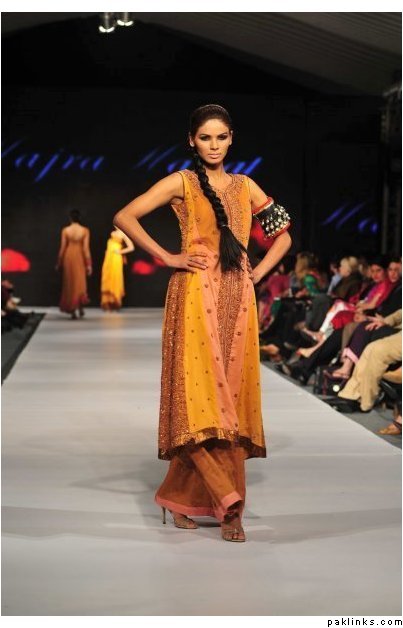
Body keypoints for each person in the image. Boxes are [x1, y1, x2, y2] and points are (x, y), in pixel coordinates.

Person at [113, 104, 292, 542]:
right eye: (206, 138)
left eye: (222, 137)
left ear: (232, 139)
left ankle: (180, 498)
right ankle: (229, 505)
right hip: (194, 295)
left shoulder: (247, 186)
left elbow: (284, 235)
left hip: (238, 299)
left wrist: (257, 272)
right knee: (198, 401)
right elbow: (124, 216)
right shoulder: (182, 182)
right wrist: (167, 257)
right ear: (192, 140)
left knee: (230, 401)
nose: (214, 145)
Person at [56, 209, 92, 319]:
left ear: (70, 218)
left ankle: (73, 310)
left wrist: (59, 262)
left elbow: (62, 248)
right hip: (79, 256)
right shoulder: (85, 230)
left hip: (69, 256)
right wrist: (89, 264)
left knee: (70, 282)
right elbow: (86, 248)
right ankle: (80, 307)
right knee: (80, 282)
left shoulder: (65, 230)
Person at [100, 228, 134, 310]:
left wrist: (120, 252)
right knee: (108, 277)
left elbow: (131, 247)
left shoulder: (123, 233)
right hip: (108, 258)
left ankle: (115, 301)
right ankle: (108, 301)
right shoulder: (113, 232)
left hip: (116, 258)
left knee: (115, 276)